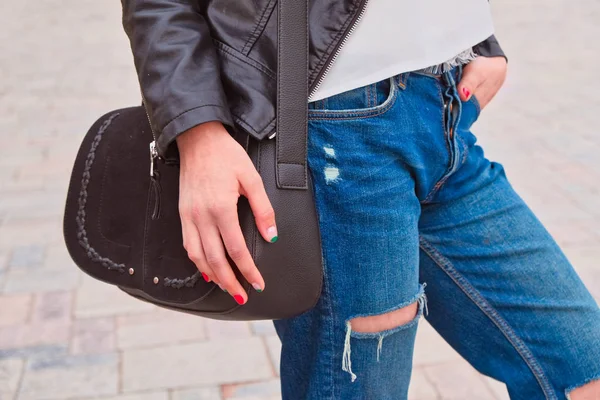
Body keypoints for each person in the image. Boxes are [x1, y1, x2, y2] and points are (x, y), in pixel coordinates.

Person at [121, 1, 600, 398]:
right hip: (335, 134)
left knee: (582, 372)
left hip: (445, 110)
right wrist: (197, 129)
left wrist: (480, 39)